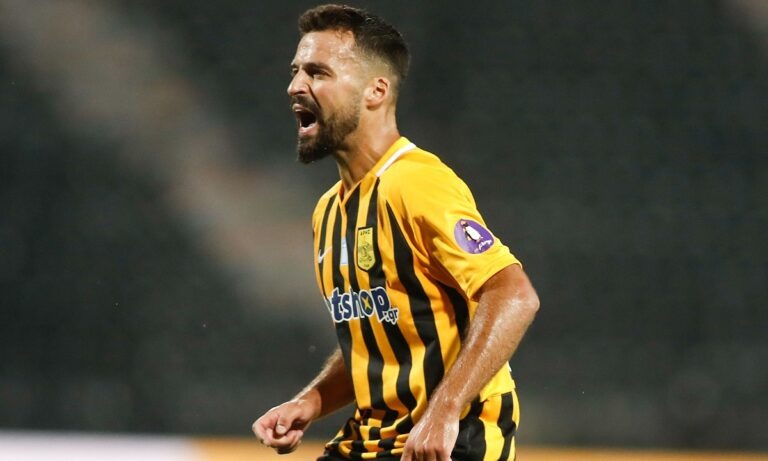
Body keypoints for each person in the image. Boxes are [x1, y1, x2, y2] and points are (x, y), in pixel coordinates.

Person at [252, 4, 540, 461]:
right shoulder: (329, 211)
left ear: (376, 90)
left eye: (318, 72)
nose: (295, 86)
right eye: (296, 71)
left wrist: (445, 408)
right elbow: (380, 341)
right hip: (371, 440)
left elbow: (513, 294)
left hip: (448, 442)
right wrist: (310, 401)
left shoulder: (416, 183)